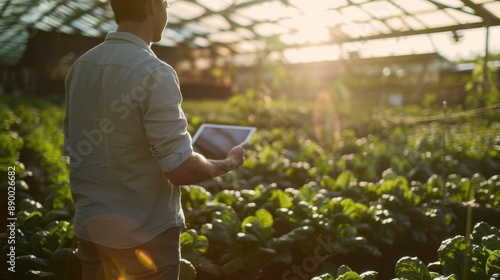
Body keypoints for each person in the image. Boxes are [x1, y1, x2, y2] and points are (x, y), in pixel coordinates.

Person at [62, 0, 247, 279]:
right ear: (152, 6)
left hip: (90, 232)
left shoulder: (81, 67)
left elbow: (75, 143)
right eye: (166, 5)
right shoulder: (155, 71)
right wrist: (227, 163)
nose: (166, 13)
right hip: (144, 238)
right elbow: (181, 169)